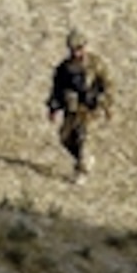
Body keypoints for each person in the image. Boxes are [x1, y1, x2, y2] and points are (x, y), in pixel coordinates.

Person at [46, 28, 113, 185]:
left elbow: (108, 85)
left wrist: (106, 104)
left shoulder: (96, 64)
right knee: (65, 137)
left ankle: (81, 170)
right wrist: (53, 108)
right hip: (72, 108)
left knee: (83, 138)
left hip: (89, 108)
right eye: (73, 49)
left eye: (79, 49)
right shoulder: (64, 68)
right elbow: (57, 88)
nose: (76, 53)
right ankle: (85, 159)